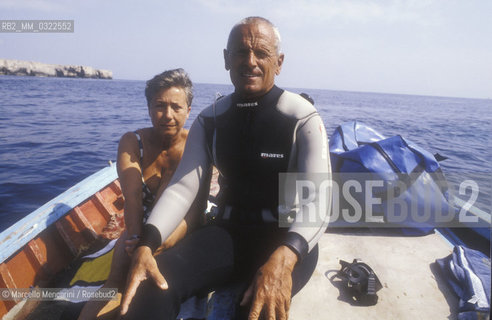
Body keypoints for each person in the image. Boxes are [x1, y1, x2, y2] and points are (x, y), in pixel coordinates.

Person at [120, 17, 332, 320]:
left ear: (279, 61)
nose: (250, 62)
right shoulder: (211, 119)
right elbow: (182, 188)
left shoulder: (301, 117)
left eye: (262, 53)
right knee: (150, 285)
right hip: (227, 233)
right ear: (225, 59)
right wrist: (146, 244)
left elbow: (319, 201)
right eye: (240, 52)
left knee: (254, 311)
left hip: (286, 240)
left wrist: (286, 257)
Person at [77, 68, 208, 320]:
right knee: (115, 282)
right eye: (159, 105)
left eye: (176, 107)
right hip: (138, 230)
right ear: (149, 108)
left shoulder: (196, 146)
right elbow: (133, 197)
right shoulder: (132, 142)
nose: (167, 115)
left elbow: (192, 216)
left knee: (151, 292)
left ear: (188, 111)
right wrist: (137, 242)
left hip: (178, 232)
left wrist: (157, 246)